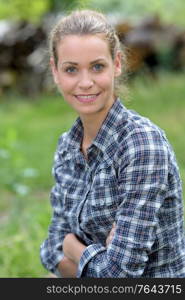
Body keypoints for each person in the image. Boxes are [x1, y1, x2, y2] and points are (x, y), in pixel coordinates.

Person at [40, 9, 185, 278]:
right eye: (71, 69)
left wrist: (76, 248)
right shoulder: (67, 147)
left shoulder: (142, 146)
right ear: (56, 72)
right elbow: (50, 250)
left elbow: (119, 277)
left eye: (97, 67)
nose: (85, 83)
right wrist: (97, 256)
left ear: (116, 64)